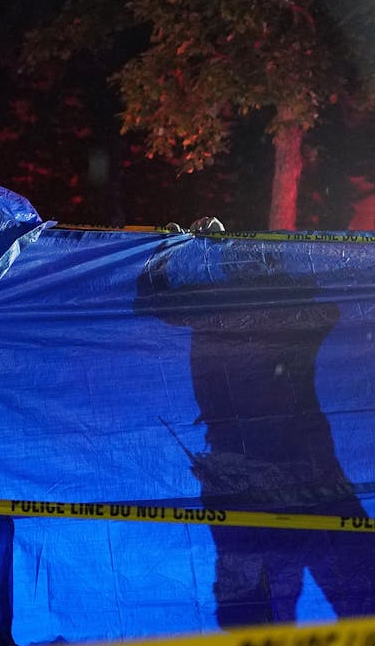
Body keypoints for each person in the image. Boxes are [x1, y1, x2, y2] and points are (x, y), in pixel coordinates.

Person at [134, 247, 375, 626]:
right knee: (276, 591)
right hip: (278, 472)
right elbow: (155, 302)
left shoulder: (221, 311)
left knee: (266, 593)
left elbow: (155, 301)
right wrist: (183, 252)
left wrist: (178, 253)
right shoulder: (285, 312)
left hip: (276, 473)